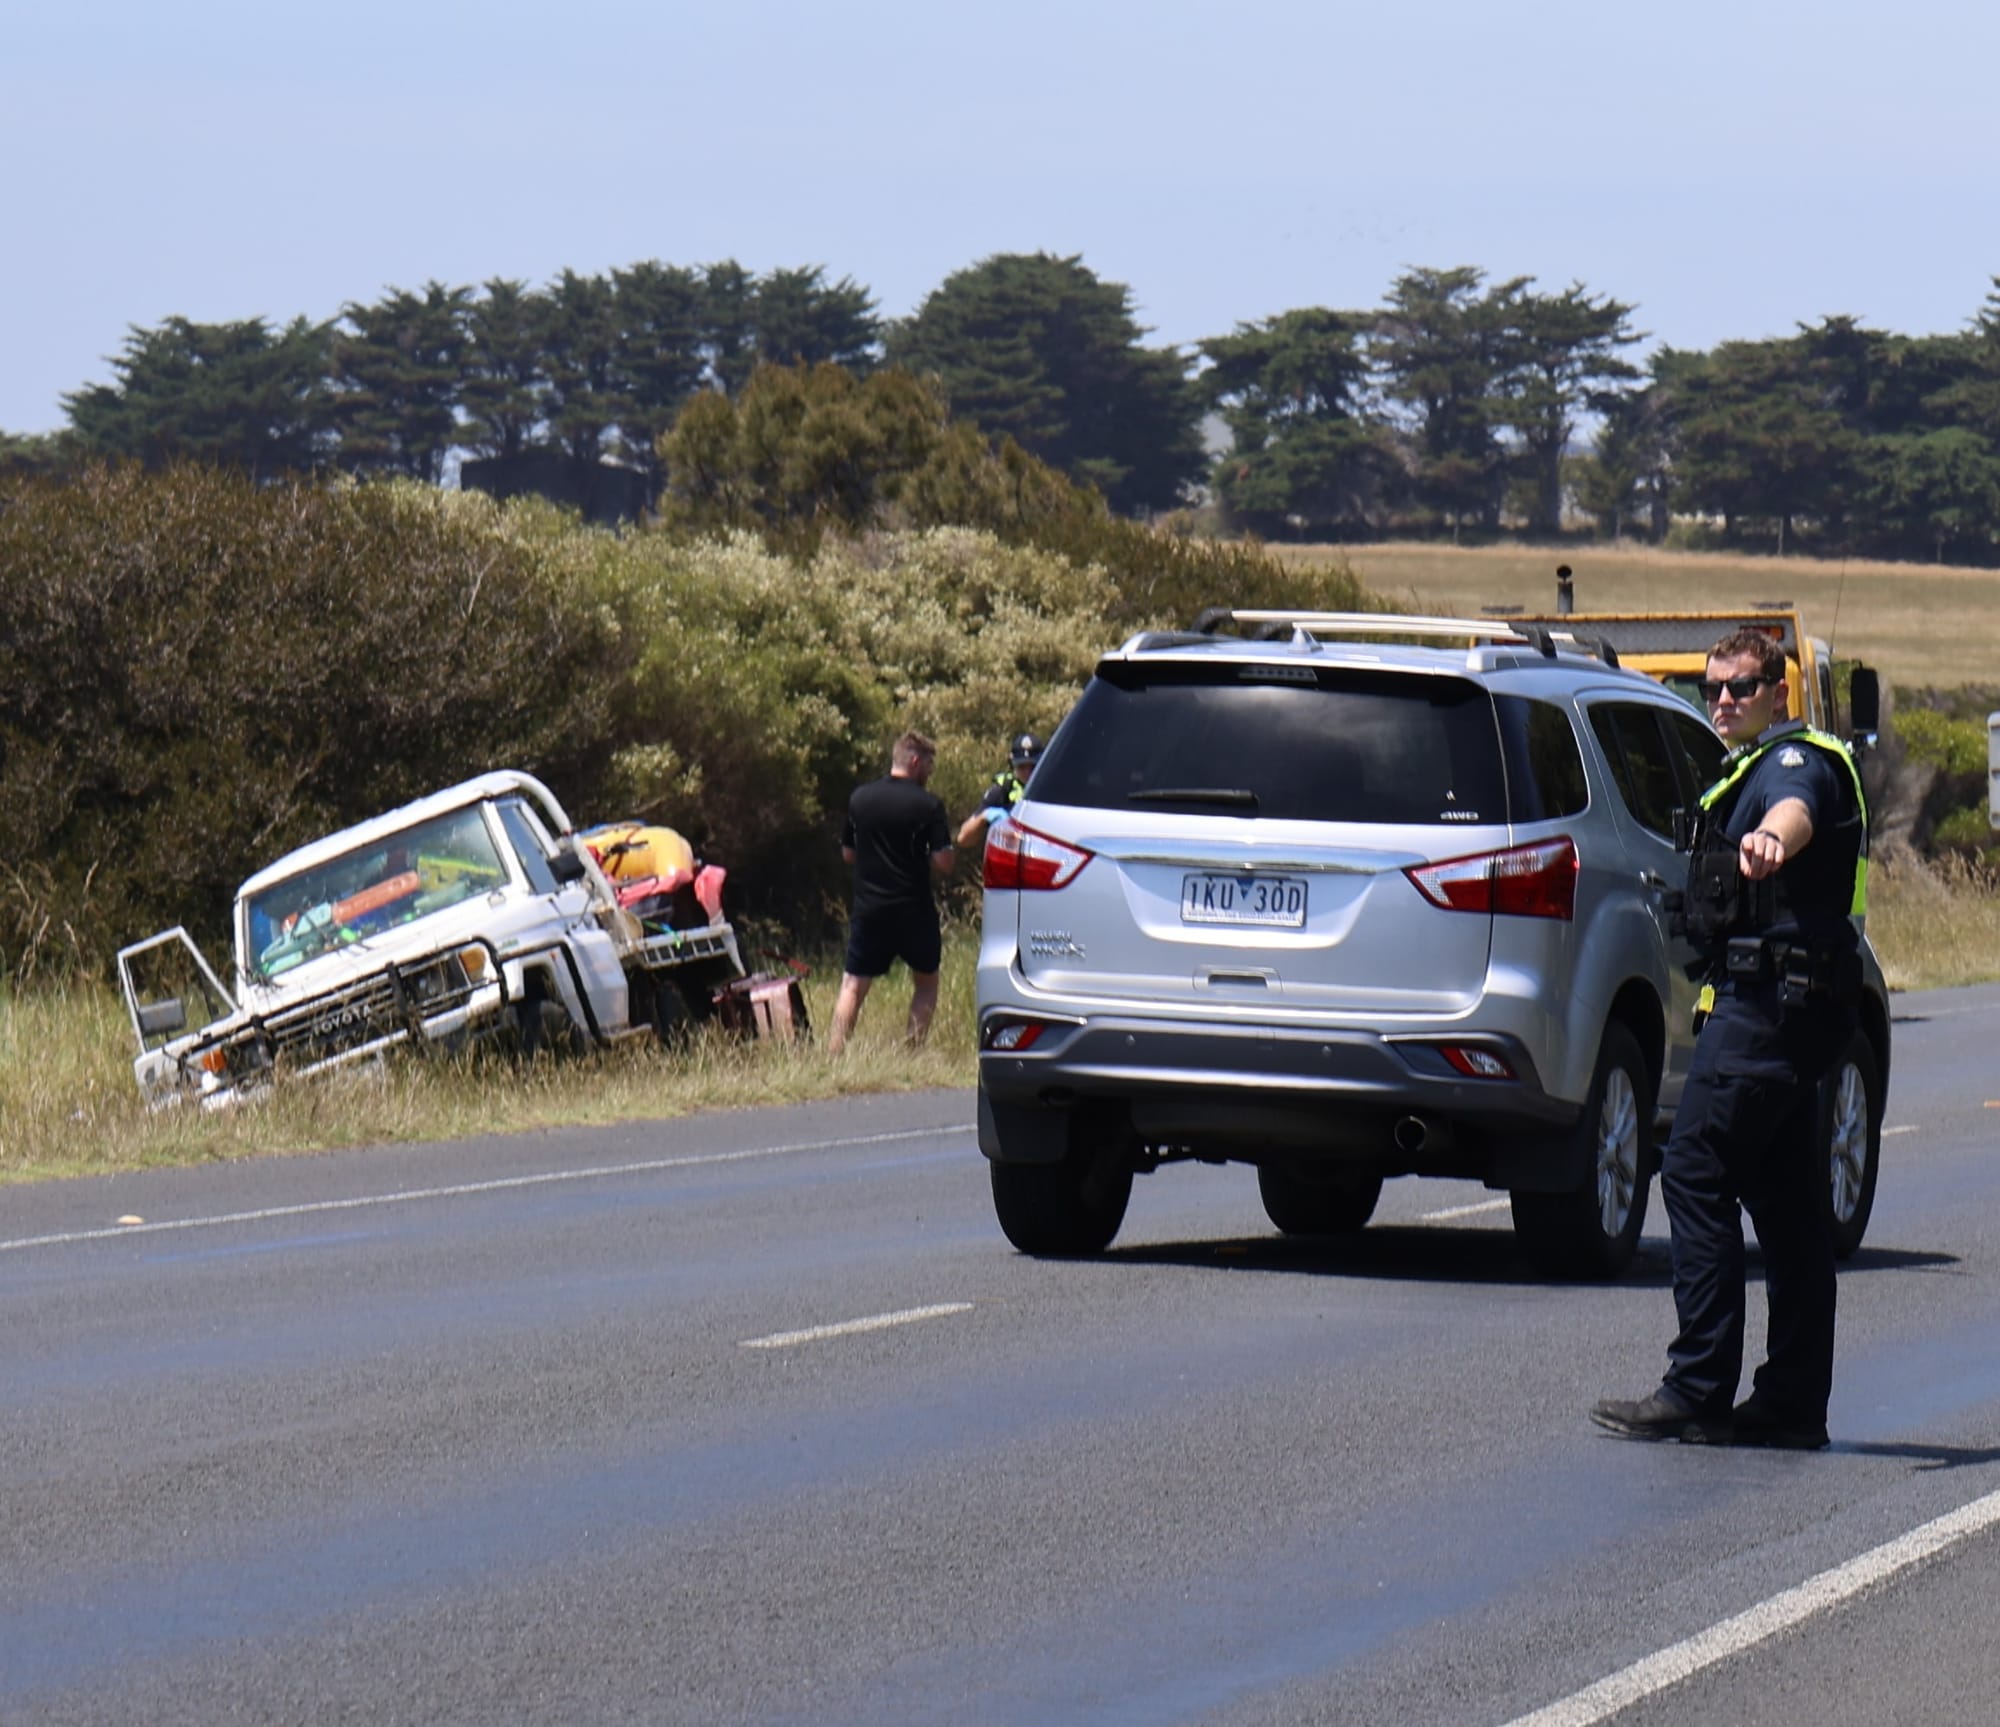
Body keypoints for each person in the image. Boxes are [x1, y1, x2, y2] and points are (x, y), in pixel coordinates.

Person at [1592, 628, 1868, 1450]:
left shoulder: (1794, 762)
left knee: (1695, 1171)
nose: (1721, 700)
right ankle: (1789, 1402)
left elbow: (1799, 809)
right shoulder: (1740, 768)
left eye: (1740, 687)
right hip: (1773, 1002)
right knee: (1785, 1203)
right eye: (1711, 687)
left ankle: (1698, 1385)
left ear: (1779, 691)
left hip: (1773, 1006)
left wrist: (1773, 839)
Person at [830, 730, 956, 1053]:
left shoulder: (860, 799)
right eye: (928, 764)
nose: (929, 772)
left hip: (870, 909)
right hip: (914, 909)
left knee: (854, 984)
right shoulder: (929, 805)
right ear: (914, 761)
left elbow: (847, 853)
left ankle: (833, 1055)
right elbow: (944, 861)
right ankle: (910, 1054)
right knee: (926, 984)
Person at [956, 731, 1043, 849]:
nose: (1027, 772)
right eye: (1022, 766)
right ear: (1013, 765)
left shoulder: (1050, 789)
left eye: (1033, 766)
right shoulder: (1002, 790)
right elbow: (963, 839)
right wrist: (984, 816)